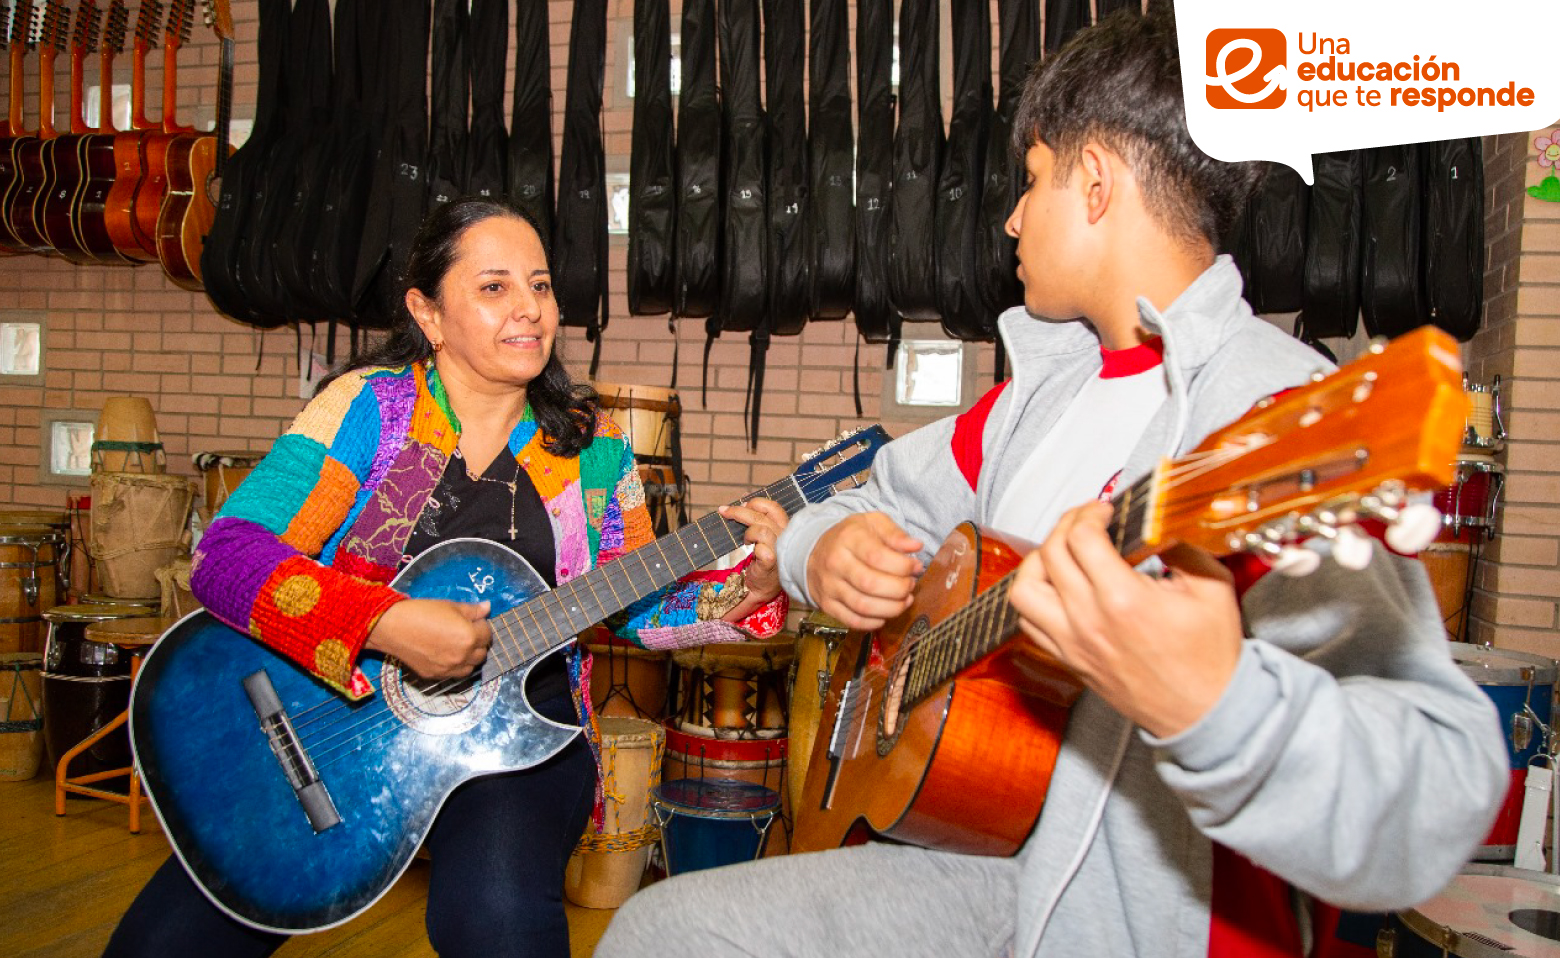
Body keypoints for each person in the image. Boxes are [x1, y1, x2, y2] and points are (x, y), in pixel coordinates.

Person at [596, 8, 1507, 958]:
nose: (1013, 219)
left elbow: (1441, 790)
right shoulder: (1036, 399)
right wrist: (813, 547)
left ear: (1098, 182)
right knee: (663, 933)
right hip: (978, 863)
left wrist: (1221, 705)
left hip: (1141, 921)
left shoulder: (1274, 423)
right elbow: (874, 497)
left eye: (1032, 182)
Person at [102, 196, 789, 958]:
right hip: (332, 719)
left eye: (540, 284)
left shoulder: (595, 452)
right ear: (427, 313)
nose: (530, 309)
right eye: (494, 288)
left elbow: (637, 604)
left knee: (495, 922)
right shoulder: (368, 411)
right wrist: (380, 623)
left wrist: (743, 594)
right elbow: (225, 555)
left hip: (520, 739)